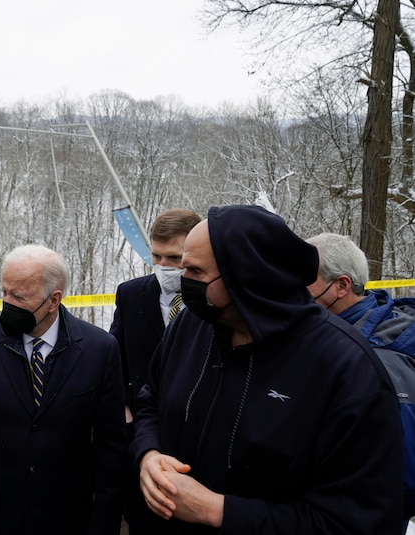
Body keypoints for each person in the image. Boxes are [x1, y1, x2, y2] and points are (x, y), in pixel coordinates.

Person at [131, 205, 403, 534]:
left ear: (246, 277)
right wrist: (148, 454)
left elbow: (357, 522)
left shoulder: (346, 369)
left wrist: (218, 511)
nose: (181, 282)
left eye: (196, 273)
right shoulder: (191, 324)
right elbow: (150, 402)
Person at [0, 244, 126, 534]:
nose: (7, 303)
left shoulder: (99, 349)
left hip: (68, 514)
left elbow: (112, 447)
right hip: (0, 512)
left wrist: (104, 522)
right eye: (4, 292)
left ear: (53, 300)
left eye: (19, 296)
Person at [306, 232, 415, 531]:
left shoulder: (381, 356)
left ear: (341, 286)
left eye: (304, 275)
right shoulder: (324, 335)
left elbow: (401, 476)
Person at [109, 208, 201, 533]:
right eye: (156, 256)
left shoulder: (213, 298)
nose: (164, 267)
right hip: (143, 436)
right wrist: (125, 411)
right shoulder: (132, 294)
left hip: (197, 435)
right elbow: (114, 357)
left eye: (174, 258)